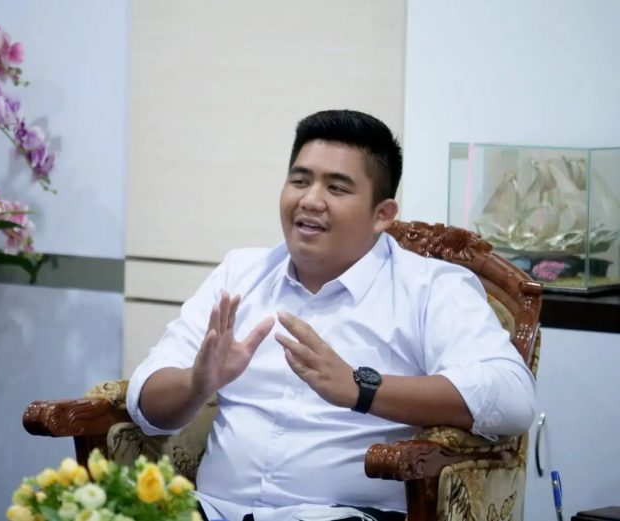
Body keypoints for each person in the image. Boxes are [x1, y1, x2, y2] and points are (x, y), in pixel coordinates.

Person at [126, 110, 535, 521]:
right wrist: (196, 384)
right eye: (299, 181)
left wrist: (362, 388)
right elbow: (145, 397)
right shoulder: (241, 273)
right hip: (212, 510)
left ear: (382, 214)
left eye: (336, 188)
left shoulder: (431, 289)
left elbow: (512, 395)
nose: (310, 200)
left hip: (344, 515)